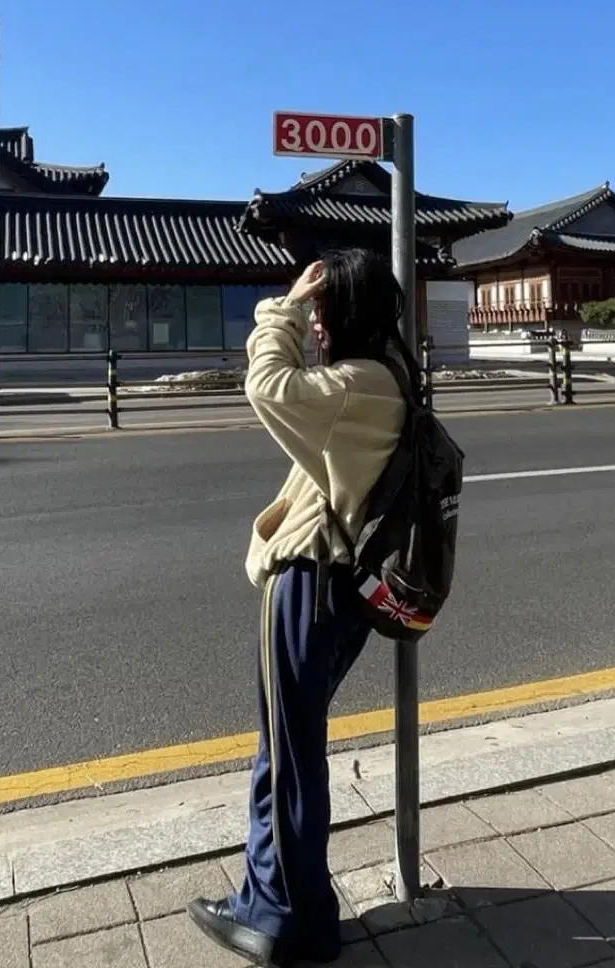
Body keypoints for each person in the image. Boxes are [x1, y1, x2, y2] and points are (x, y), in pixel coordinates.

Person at [187, 249, 417, 967]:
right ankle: (290, 901)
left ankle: (282, 915)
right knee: (287, 749)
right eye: (311, 308)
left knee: (285, 757)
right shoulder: (387, 374)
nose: (314, 318)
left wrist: (280, 304)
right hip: (333, 585)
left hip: (310, 582)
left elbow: (266, 387)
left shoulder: (360, 383)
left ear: (350, 311)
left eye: (324, 306)